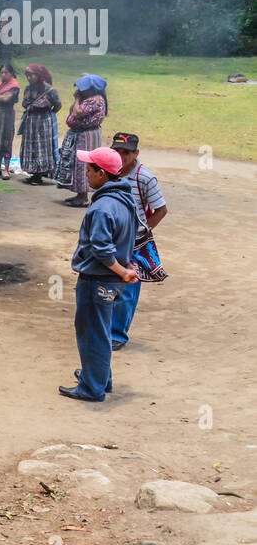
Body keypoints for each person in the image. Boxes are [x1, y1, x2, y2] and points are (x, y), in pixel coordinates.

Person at [60, 147, 139, 402]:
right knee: (102, 330)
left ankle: (91, 388)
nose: (86, 173)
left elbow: (102, 250)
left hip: (97, 279)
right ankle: (100, 378)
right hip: (111, 281)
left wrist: (123, 271)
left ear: (102, 174)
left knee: (91, 332)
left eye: (90, 169)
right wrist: (125, 269)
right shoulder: (125, 202)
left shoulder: (103, 208)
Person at [109, 132, 167, 350]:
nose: (121, 156)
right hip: (111, 237)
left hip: (133, 242)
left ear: (136, 154)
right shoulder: (108, 172)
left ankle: (117, 335)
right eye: (117, 151)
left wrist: (142, 233)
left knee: (127, 290)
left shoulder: (145, 177)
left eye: (127, 153)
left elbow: (161, 210)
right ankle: (106, 328)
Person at [55, 74, 108, 207]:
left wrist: (77, 98)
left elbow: (77, 112)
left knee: (83, 164)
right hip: (82, 133)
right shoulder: (89, 99)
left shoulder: (95, 100)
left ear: (93, 89)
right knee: (77, 164)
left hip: (86, 135)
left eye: (83, 89)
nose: (80, 91)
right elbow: (72, 111)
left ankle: (83, 197)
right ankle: (79, 194)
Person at [18, 64, 61, 184]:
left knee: (41, 148)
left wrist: (48, 114)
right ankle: (33, 173)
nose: (29, 78)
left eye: (31, 75)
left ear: (39, 75)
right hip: (30, 121)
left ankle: (38, 175)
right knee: (30, 146)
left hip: (43, 123)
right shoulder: (28, 89)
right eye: (27, 75)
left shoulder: (50, 90)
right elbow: (25, 103)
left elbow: (58, 105)